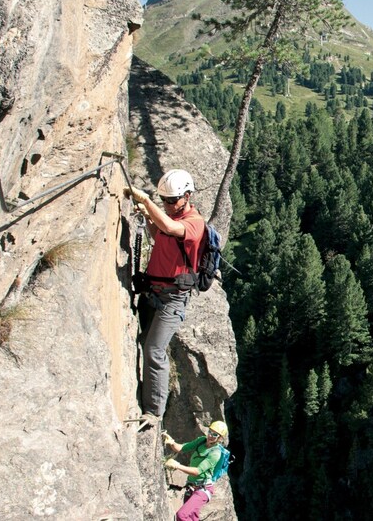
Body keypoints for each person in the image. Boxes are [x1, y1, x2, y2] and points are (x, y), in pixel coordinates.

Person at [125, 169, 206, 426]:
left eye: (172, 200)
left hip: (172, 300)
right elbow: (161, 235)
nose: (168, 205)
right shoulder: (171, 217)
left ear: (187, 196)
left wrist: (147, 202)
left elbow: (170, 228)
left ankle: (154, 412)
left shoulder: (194, 223)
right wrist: (149, 216)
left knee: (154, 350)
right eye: (164, 200)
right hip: (153, 292)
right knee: (143, 342)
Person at [163, 420, 229, 521]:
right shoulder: (201, 441)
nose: (210, 435)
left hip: (203, 489)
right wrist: (172, 442)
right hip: (191, 487)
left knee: (181, 515)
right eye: (210, 432)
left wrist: (177, 466)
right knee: (192, 518)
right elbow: (181, 448)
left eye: (214, 434)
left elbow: (197, 471)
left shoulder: (215, 453)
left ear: (220, 438)